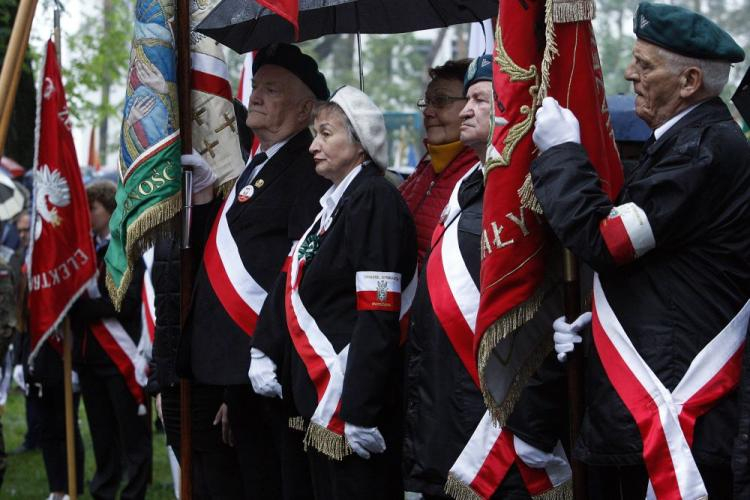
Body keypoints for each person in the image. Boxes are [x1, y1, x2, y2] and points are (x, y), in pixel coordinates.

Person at [529, 3, 749, 498]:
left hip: (673, 402)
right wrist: (605, 321)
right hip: (648, 390)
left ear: (690, 81)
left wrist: (563, 153)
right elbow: (663, 269)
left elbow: (610, 241)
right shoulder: (681, 142)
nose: (629, 73)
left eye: (645, 64)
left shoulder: (703, 149)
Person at [174, 42, 329, 498]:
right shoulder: (259, 161)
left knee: (271, 481)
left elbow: (298, 269)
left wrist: (266, 353)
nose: (256, 96)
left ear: (305, 110)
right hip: (234, 365)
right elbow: (226, 249)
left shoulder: (308, 167)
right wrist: (203, 201)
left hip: (272, 362)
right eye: (256, 85)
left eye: (272, 89)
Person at [253, 85, 417, 499]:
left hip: (351, 397)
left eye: (326, 133)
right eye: (314, 134)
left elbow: (378, 307)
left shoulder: (374, 199)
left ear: (360, 144)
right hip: (322, 391)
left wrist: (360, 410)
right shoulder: (334, 203)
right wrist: (264, 349)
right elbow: (292, 281)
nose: (313, 146)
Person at [71, 180, 151, 500]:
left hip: (120, 356)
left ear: (109, 209)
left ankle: (134, 491)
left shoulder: (126, 244)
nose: (87, 214)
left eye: (93, 208)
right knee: (101, 433)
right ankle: (103, 489)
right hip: (89, 357)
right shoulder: (82, 251)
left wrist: (84, 308)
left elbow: (127, 300)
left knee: (132, 432)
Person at [399, 59, 477, 263]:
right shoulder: (425, 167)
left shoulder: (481, 176)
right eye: (427, 102)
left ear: (473, 104)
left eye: (441, 101)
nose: (428, 112)